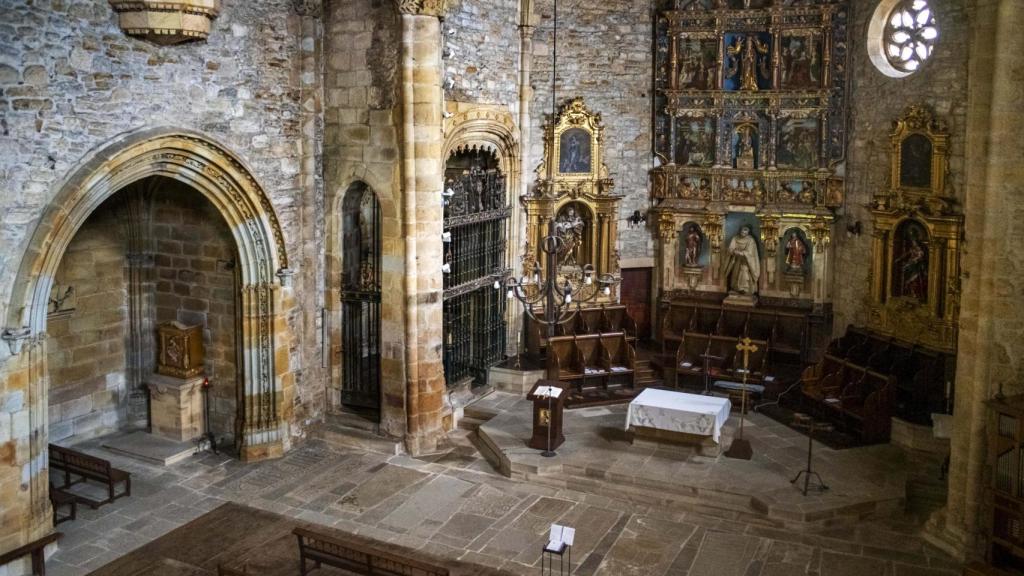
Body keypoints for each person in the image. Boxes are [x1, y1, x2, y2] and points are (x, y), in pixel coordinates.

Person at [724, 225, 761, 295]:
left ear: (748, 232)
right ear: (740, 231)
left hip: (746, 261)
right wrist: (733, 251)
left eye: (745, 231)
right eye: (742, 231)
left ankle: (745, 289)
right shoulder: (735, 238)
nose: (743, 233)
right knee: (735, 273)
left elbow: (750, 252)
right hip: (736, 260)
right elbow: (730, 248)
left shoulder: (750, 240)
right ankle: (736, 288)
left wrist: (741, 253)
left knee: (744, 272)